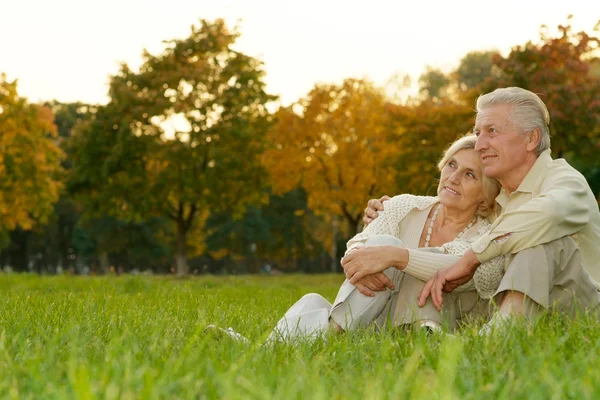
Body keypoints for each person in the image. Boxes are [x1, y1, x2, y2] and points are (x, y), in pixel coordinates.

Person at [208, 134, 505, 344]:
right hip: (372, 321)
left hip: (428, 331)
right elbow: (358, 246)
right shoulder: (404, 205)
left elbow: (458, 267)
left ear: (485, 194)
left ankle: (320, 335)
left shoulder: (488, 233)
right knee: (314, 298)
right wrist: (364, 260)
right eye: (452, 165)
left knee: (391, 250)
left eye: (470, 175)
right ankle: (310, 337)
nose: (453, 177)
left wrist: (394, 257)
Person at [367, 87, 600, 333]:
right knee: (443, 268)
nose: (479, 145)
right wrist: (386, 210)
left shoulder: (565, 182)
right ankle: (425, 332)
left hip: (581, 309)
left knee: (539, 241)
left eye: (492, 131)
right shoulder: (497, 199)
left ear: (531, 139)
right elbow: (449, 211)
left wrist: (472, 257)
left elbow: (547, 215)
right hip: (518, 305)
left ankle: (496, 340)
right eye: (478, 133)